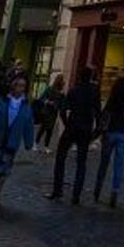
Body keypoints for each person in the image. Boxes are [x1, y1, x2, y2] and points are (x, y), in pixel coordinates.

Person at [0, 71, 35, 210]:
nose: (20, 89)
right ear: (12, 86)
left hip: (11, 142)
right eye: (18, 85)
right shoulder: (1, 101)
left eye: (23, 86)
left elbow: (29, 125)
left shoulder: (25, 106)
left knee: (5, 169)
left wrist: (29, 142)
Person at [48, 66, 101, 204]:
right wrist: (95, 133)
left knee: (61, 157)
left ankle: (57, 190)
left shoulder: (74, 90)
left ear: (79, 76)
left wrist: (67, 125)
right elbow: (98, 113)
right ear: (90, 77)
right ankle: (76, 195)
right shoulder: (94, 92)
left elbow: (63, 111)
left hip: (72, 127)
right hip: (85, 129)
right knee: (81, 162)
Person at [93, 75, 124, 208]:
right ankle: (114, 192)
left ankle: (97, 189)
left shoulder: (112, 100)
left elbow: (105, 115)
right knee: (119, 165)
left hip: (110, 133)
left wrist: (98, 132)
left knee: (104, 163)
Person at [34, 74, 64, 151]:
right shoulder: (49, 89)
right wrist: (48, 102)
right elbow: (42, 98)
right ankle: (36, 143)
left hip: (54, 113)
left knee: (50, 130)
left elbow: (62, 103)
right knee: (43, 128)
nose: (63, 82)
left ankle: (46, 146)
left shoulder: (61, 92)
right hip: (47, 111)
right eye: (61, 80)